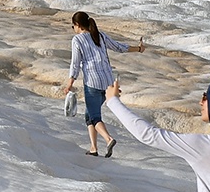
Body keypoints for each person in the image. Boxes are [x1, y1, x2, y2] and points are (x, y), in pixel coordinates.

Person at [55, 11, 146, 157]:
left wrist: (70, 83)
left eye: (73, 26)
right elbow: (118, 47)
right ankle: (93, 148)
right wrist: (138, 49)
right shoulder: (100, 35)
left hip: (92, 82)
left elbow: (75, 64)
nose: (74, 29)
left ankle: (108, 139)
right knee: (89, 114)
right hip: (108, 83)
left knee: (95, 117)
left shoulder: (77, 40)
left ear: (78, 25)